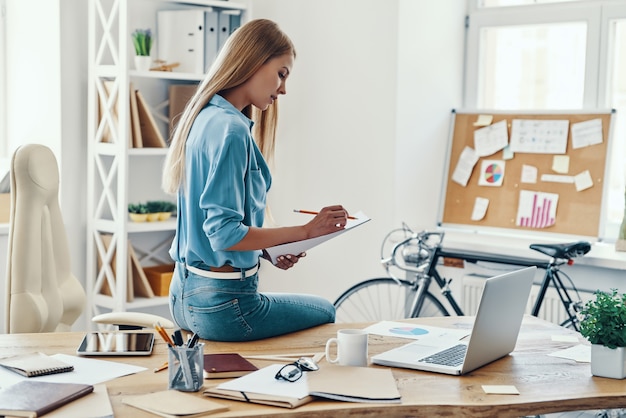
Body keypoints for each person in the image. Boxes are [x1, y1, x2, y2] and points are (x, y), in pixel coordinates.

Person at [161, 18, 349, 342]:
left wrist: (270, 249)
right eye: (281, 73)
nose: (284, 88)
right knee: (326, 311)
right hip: (224, 305)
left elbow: (214, 229)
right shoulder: (232, 130)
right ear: (253, 61)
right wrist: (306, 231)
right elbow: (223, 234)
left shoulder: (203, 117)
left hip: (182, 296)